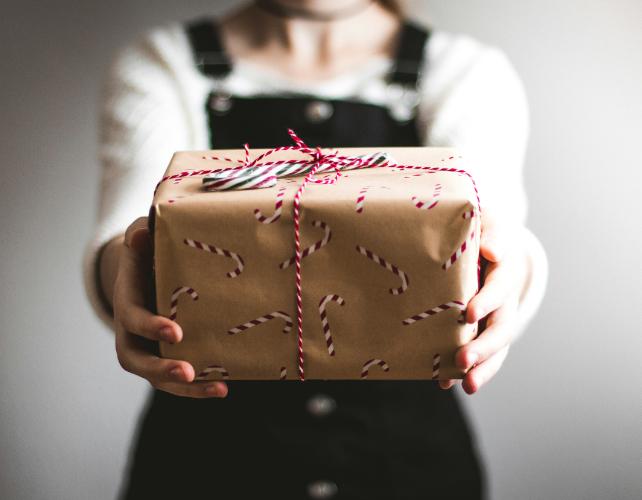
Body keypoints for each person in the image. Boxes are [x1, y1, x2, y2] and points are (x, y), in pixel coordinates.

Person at [83, 1, 548, 498]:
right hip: (208, 466)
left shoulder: (462, 71)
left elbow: (495, 226)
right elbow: (131, 225)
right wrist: (125, 274)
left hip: (407, 466)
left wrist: (509, 272)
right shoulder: (164, 63)